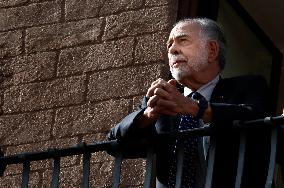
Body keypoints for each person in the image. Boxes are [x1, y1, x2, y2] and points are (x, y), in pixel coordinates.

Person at [108, 18, 270, 188]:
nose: (172, 49)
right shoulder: (161, 100)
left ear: (212, 50)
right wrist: (148, 115)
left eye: (182, 40)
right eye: (169, 44)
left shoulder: (248, 86)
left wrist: (193, 107)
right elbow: (114, 144)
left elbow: (256, 120)